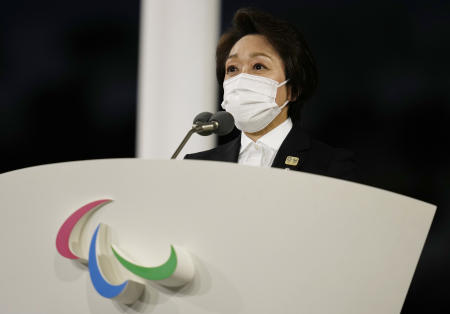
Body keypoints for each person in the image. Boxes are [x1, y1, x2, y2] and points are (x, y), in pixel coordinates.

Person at [185, 8, 357, 182]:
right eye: (232, 69)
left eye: (258, 66)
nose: (242, 78)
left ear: (292, 89)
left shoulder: (330, 165)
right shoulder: (197, 166)